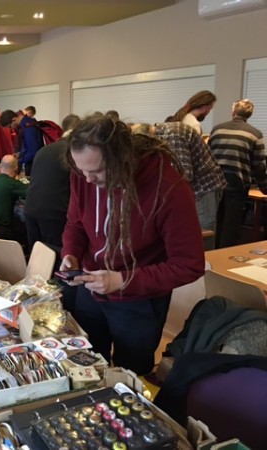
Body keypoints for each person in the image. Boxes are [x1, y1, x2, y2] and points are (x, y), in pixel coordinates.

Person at [60, 114, 205, 375]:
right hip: (90, 288)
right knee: (88, 367)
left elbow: (189, 264)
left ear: (123, 158)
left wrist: (122, 280)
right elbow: (76, 223)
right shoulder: (83, 174)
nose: (88, 179)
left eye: (96, 171)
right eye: (82, 171)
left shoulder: (167, 186)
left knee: (130, 375)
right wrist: (71, 253)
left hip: (139, 302)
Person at [131, 122, 226, 239]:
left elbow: (184, 174)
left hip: (204, 186)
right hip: (193, 187)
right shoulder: (162, 133)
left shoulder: (173, 135)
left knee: (204, 231)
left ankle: (207, 251)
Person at [209, 99, 267, 248]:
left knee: (214, 223)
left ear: (233, 111)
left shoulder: (217, 130)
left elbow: (207, 156)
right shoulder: (255, 134)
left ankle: (210, 254)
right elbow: (259, 166)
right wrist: (264, 187)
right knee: (231, 225)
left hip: (214, 183)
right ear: (250, 114)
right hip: (237, 184)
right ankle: (224, 257)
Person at [25, 114, 80, 257]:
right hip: (55, 212)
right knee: (56, 258)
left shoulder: (44, 150)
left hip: (31, 209)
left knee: (36, 258)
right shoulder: (73, 152)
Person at [0, 109, 43, 176]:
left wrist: (18, 161)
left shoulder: (28, 128)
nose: (11, 129)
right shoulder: (26, 125)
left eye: (10, 126)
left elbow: (33, 151)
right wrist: (20, 154)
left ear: (13, 120)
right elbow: (28, 146)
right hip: (34, 162)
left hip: (34, 164)